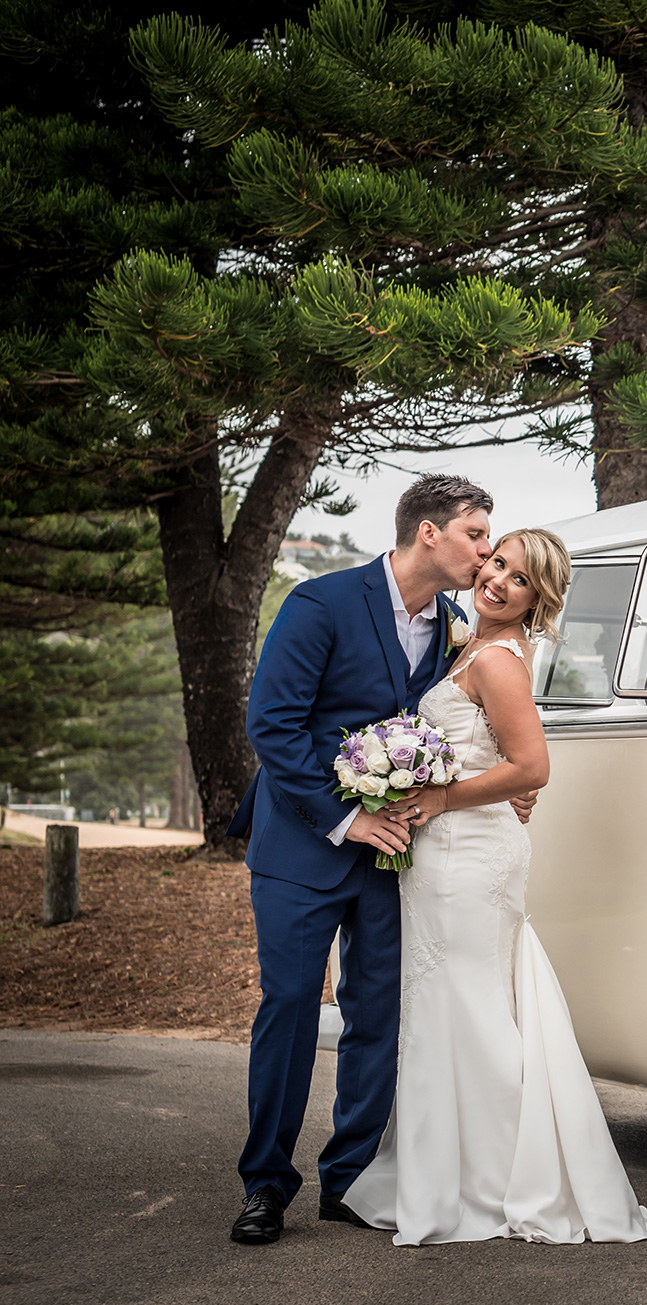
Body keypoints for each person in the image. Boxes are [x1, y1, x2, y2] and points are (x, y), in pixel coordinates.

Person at [339, 528, 647, 1246]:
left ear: (534, 601)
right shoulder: (466, 642)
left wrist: (440, 798)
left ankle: (490, 1181)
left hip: (470, 857)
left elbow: (532, 766)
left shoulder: (498, 661)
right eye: (498, 562)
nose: (499, 579)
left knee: (472, 1007)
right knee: (450, 1004)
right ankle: (447, 1168)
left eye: (519, 579)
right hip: (444, 855)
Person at [226, 475, 493, 1245]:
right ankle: (266, 1184)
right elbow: (271, 724)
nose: (485, 550)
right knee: (289, 1011)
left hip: (395, 856)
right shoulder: (321, 602)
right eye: (476, 534)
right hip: (302, 847)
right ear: (429, 533)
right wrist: (346, 818)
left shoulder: (453, 625)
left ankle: (349, 1179)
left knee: (379, 1015)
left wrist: (506, 785)